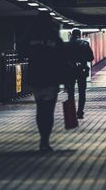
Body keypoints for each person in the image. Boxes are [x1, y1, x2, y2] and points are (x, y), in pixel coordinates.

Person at [22, 13, 66, 152]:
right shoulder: (54, 37)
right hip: (51, 78)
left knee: (40, 108)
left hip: (35, 77)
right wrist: (65, 81)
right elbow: (61, 58)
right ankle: (45, 141)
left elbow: (21, 51)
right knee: (49, 110)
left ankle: (43, 138)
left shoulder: (30, 36)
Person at [66, 28, 94, 119]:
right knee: (82, 92)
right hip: (81, 71)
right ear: (80, 35)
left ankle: (70, 113)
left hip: (69, 71)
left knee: (70, 93)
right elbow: (91, 58)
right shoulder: (85, 44)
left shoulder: (66, 45)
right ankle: (80, 112)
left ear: (71, 35)